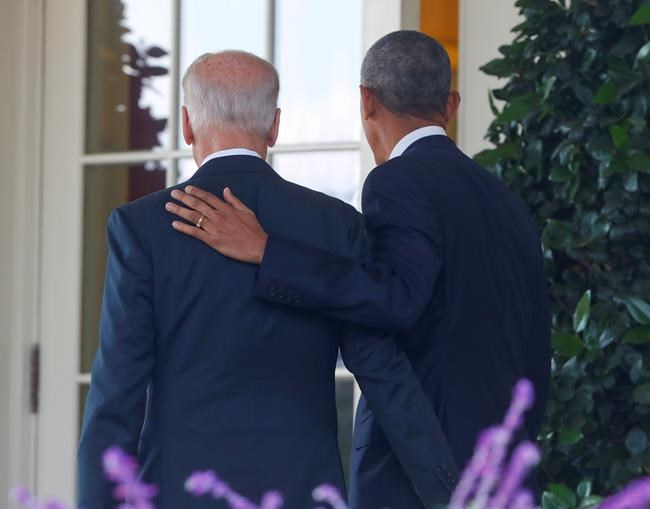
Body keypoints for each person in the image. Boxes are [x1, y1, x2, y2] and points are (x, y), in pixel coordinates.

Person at [168, 30, 552, 502]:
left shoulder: (397, 181)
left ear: (366, 101)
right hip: (508, 468)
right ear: (451, 105)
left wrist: (268, 251)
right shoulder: (505, 200)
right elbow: (537, 347)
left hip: (421, 473)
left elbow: (395, 300)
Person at [78, 50, 458, 509]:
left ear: (187, 124)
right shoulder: (335, 224)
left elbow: (116, 397)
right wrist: (451, 492)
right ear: (275, 126)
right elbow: (382, 372)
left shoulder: (142, 228)